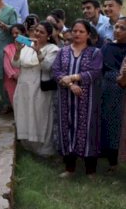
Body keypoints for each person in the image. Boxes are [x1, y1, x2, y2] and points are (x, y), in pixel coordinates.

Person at [51, 20, 103, 177]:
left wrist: (73, 77)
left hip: (87, 100)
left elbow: (95, 72)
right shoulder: (63, 52)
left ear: (88, 34)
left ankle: (90, 170)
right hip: (66, 98)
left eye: (81, 31)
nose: (77, 34)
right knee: (66, 129)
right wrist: (70, 85)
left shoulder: (95, 53)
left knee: (87, 130)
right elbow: (56, 71)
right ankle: (69, 168)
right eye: (75, 31)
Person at [12, 22, 60, 156]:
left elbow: (47, 67)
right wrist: (18, 50)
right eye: (36, 31)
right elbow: (15, 64)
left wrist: (38, 51)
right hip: (23, 85)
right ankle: (27, 145)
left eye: (42, 32)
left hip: (39, 87)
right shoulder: (27, 46)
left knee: (39, 115)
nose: (37, 34)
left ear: (49, 35)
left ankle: (43, 149)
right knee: (24, 113)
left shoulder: (53, 49)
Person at [100, 17, 126, 172]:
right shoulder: (107, 47)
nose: (117, 30)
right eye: (116, 27)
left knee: (120, 124)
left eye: (122, 28)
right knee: (109, 122)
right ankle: (112, 162)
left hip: (123, 88)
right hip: (108, 88)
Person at [2, 23, 27, 109]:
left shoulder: (30, 47)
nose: (14, 35)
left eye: (17, 33)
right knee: (14, 100)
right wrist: (13, 75)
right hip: (11, 79)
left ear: (23, 33)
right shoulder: (8, 48)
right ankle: (17, 119)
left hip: (27, 78)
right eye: (12, 33)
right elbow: (6, 65)